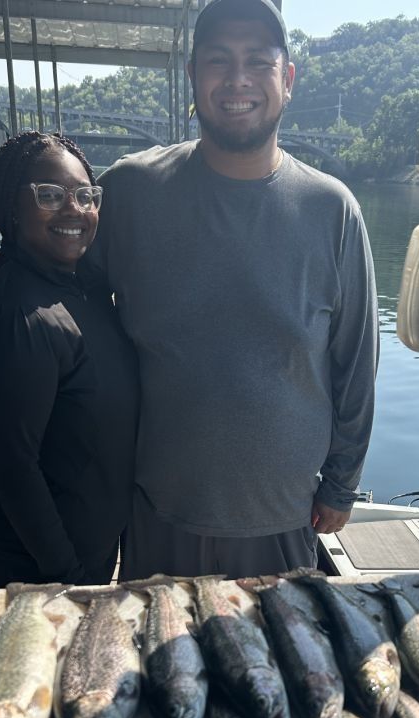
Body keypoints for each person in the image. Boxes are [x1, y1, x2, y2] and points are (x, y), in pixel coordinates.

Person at [85, 0, 378, 580]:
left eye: (257, 62)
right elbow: (69, 321)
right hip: (154, 513)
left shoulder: (332, 209)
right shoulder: (129, 191)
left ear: (287, 79)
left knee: (277, 672)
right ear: (192, 76)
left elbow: (357, 362)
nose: (237, 80)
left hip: (283, 519)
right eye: (218, 60)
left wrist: (342, 483)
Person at [0, 131, 139, 588]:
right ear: (9, 208)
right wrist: (66, 581)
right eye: (49, 195)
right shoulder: (15, 315)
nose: (74, 209)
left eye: (85, 195)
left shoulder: (83, 289)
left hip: (86, 542)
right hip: (44, 562)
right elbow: (12, 469)